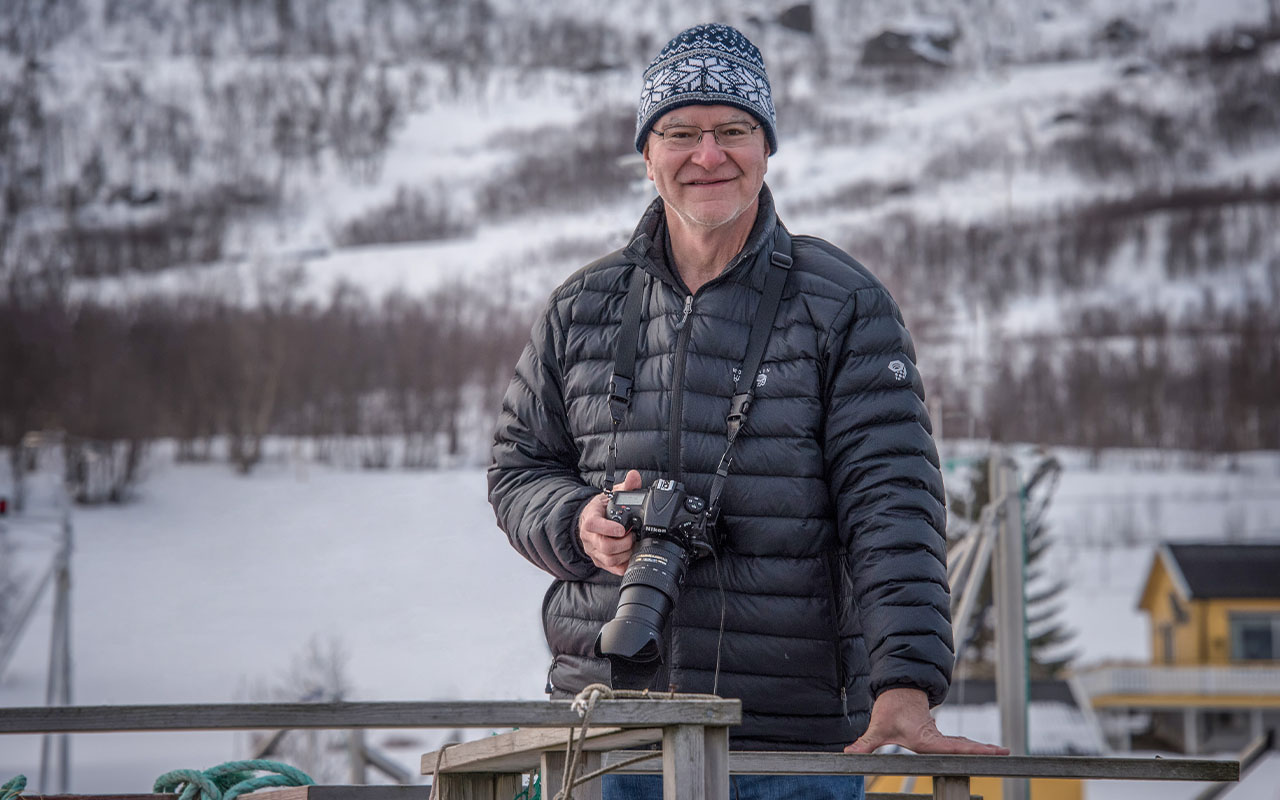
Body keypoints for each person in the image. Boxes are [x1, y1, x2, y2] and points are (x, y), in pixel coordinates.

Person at [488, 22, 1007, 799]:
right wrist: (580, 520)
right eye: (681, 133)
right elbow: (517, 472)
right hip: (607, 730)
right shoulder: (582, 306)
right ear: (647, 153)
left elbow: (891, 505)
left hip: (790, 743)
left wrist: (904, 684)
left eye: (733, 130)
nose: (708, 155)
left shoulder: (844, 303)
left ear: (766, 147)